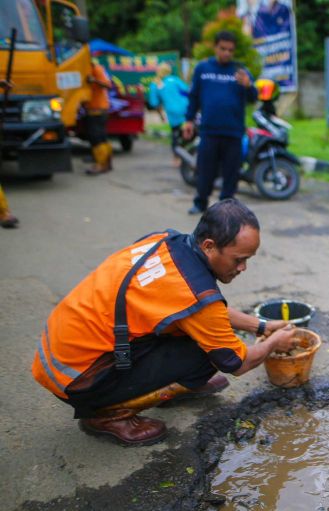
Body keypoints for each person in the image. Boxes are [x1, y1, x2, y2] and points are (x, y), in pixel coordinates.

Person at [31, 199, 297, 446]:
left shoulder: (166, 241)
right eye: (238, 260)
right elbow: (237, 363)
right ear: (209, 246)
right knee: (209, 356)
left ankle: (174, 385)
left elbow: (201, 311)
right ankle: (107, 415)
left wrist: (260, 326)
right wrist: (274, 342)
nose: (242, 268)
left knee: (196, 334)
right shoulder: (196, 294)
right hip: (78, 377)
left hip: (63, 350)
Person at [183, 31, 257, 215]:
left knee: (231, 173)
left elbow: (253, 98)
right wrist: (189, 120)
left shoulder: (240, 71)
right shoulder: (203, 69)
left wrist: (248, 85)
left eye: (230, 50)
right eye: (223, 49)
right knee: (205, 170)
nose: (226, 53)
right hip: (209, 131)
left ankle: (226, 208)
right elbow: (194, 97)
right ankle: (200, 202)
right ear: (216, 47)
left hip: (233, 131)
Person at [148, 62, 189, 165]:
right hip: (185, 109)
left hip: (172, 112)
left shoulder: (155, 84)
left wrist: (161, 115)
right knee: (187, 132)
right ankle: (187, 154)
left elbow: (154, 103)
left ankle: (176, 158)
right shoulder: (175, 80)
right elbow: (187, 91)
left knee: (176, 134)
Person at [85, 59, 114, 175]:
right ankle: (106, 163)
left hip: (99, 110)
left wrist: (94, 80)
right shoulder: (87, 70)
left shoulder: (96, 69)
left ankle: (101, 164)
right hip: (92, 109)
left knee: (97, 137)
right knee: (99, 137)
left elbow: (108, 84)